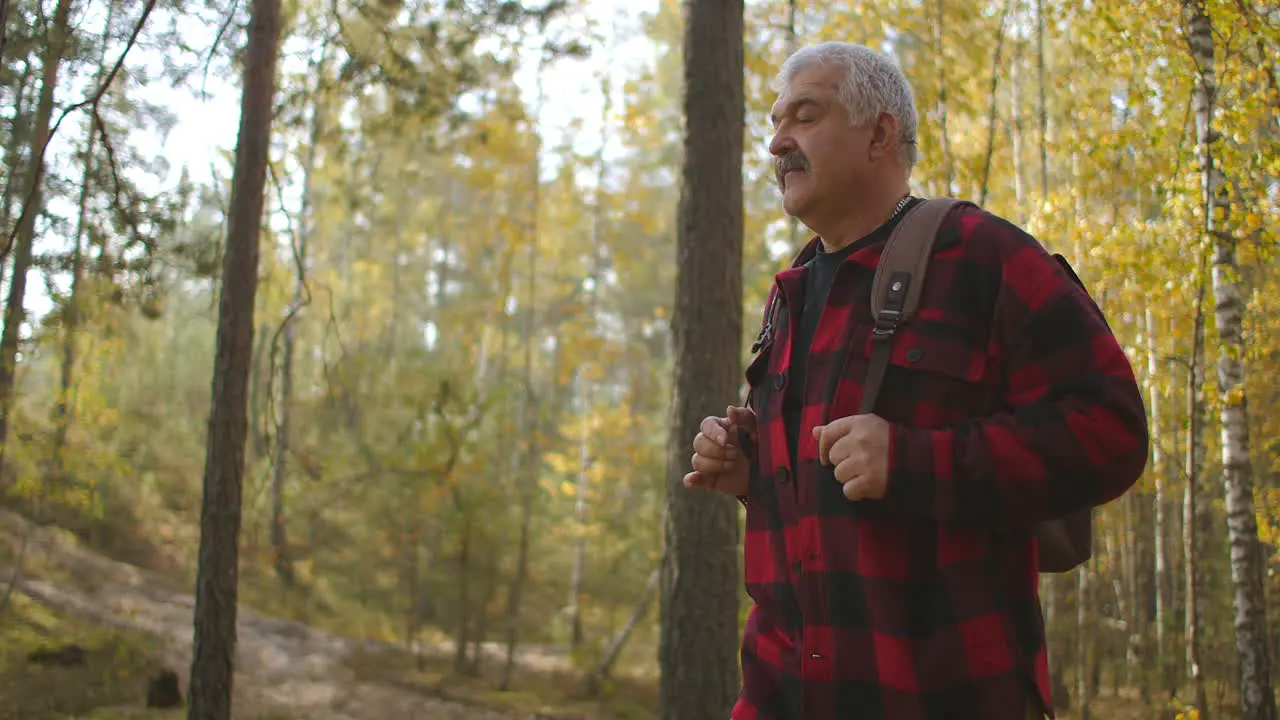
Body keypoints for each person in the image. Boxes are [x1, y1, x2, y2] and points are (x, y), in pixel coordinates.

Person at [684, 42, 1148, 720]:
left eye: (805, 117)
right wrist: (754, 473)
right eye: (776, 123)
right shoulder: (790, 294)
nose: (778, 143)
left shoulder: (983, 255)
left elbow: (1112, 432)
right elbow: (828, 517)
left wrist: (916, 460)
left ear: (879, 134)